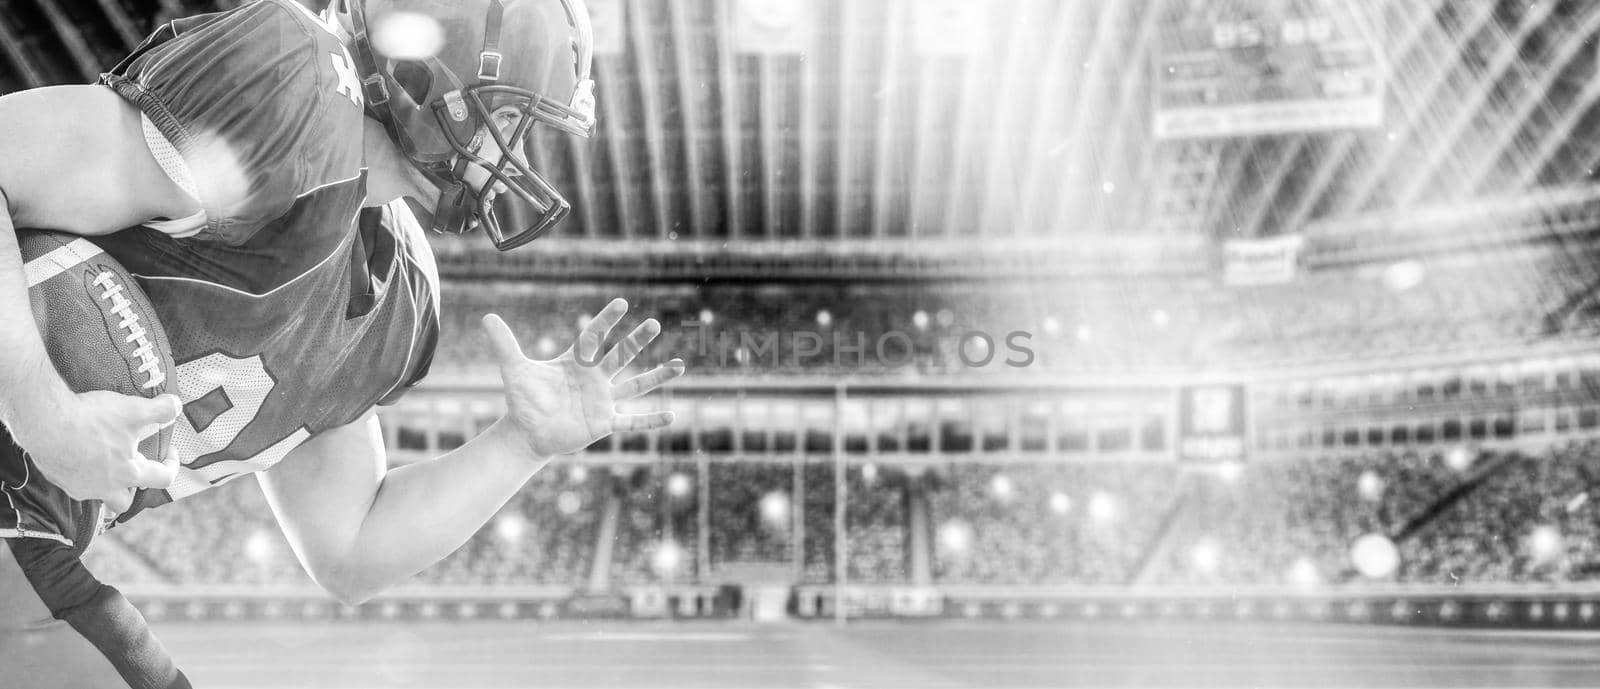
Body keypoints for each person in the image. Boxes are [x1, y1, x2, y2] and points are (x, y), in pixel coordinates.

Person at [0, 1, 681, 687]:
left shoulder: (395, 293)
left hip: (31, 526)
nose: (517, 160)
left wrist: (519, 445)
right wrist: (42, 410)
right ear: (438, 80)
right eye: (512, 121)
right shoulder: (293, 82)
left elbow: (349, 548)